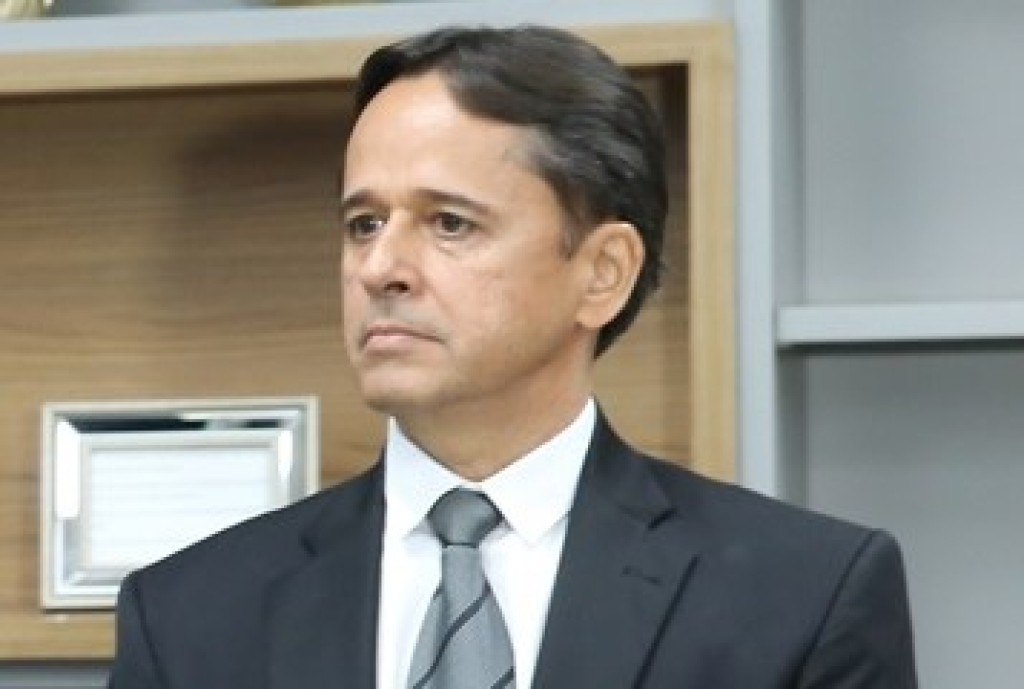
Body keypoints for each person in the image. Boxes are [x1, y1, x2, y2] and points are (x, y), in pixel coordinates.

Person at [108, 24, 917, 689]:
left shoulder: (805, 596)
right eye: (364, 223)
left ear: (603, 273)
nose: (380, 268)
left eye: (449, 223)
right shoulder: (188, 616)